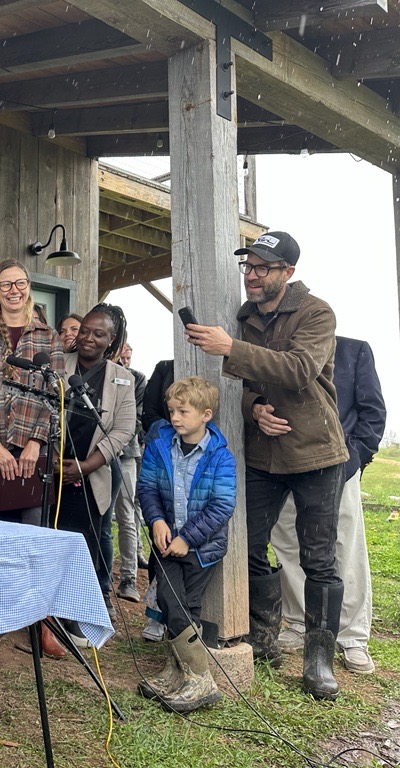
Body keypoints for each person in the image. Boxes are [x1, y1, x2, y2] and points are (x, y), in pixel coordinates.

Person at [186, 230, 349, 700]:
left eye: (262, 268)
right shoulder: (244, 317)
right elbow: (246, 384)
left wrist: (230, 348)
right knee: (249, 544)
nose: (252, 276)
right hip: (264, 454)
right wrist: (254, 406)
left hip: (316, 451)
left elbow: (300, 370)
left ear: (288, 273)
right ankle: (264, 637)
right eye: (248, 267)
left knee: (319, 557)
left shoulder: (317, 312)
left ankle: (318, 659)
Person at [270, 336, 385, 674]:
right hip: (287, 464)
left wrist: (353, 461)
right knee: (289, 543)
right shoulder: (279, 352)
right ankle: (297, 622)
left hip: (337, 467)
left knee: (343, 548)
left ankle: (351, 636)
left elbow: (373, 413)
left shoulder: (354, 350)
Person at [136, 376, 236, 712]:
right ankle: (187, 674)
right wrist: (158, 522)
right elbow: (147, 488)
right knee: (168, 598)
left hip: (200, 548)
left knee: (186, 607)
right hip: (166, 542)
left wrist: (187, 538)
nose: (175, 418)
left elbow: (222, 506)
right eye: (172, 410)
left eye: (183, 411)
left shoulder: (220, 457)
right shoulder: (160, 445)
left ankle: (193, 678)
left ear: (205, 414)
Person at [0, 260, 64, 524]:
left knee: (33, 530)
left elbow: (57, 396)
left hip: (33, 447)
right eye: (5, 284)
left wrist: (35, 443)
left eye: (20, 283)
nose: (13, 290)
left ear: (28, 288)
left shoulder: (49, 337)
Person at [56, 304, 136, 622]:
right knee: (58, 530)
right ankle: (57, 600)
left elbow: (123, 430)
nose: (88, 338)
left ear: (111, 339)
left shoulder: (123, 379)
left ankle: (96, 594)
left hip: (97, 468)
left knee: (94, 533)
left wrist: (87, 465)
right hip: (55, 466)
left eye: (98, 333)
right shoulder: (58, 364)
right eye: (84, 330)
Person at [113, 342, 148, 604]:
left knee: (127, 515)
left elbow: (136, 419)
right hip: (93, 456)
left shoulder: (136, 378)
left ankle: (128, 577)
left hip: (125, 454)